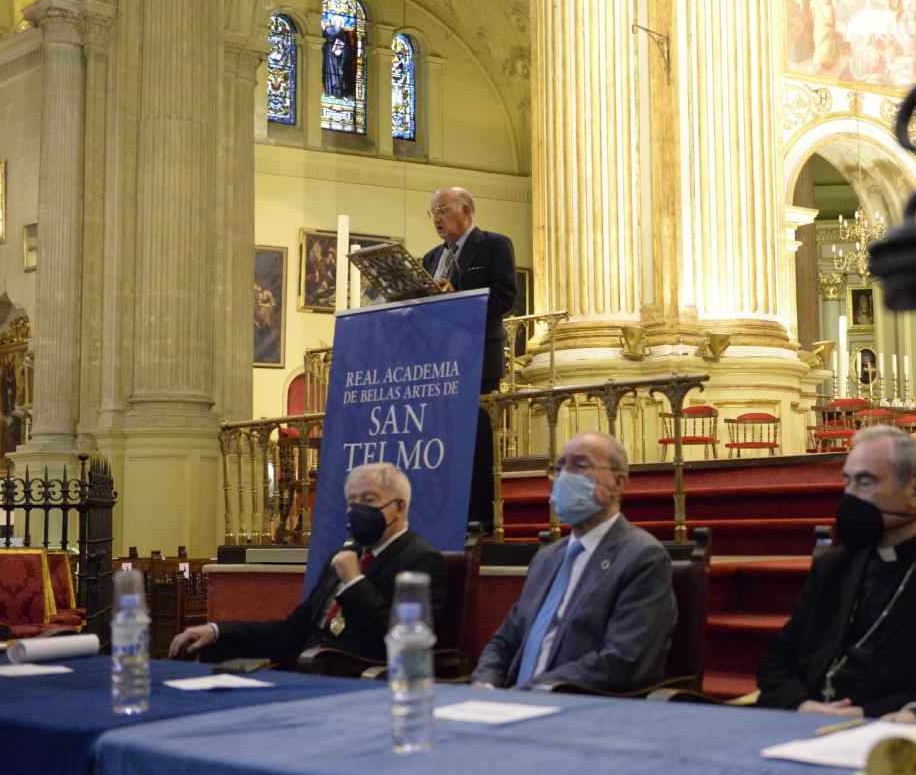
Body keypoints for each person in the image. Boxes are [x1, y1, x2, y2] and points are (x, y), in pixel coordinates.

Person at [169, 462, 446, 666]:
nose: (357, 510)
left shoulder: (420, 559)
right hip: (304, 672)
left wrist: (354, 582)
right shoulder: (343, 556)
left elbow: (399, 643)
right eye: (352, 502)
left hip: (357, 684)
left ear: (399, 507)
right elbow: (292, 631)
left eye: (369, 500)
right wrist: (217, 631)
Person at [756, 425, 916, 717]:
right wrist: (803, 705)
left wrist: (872, 714)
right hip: (807, 725)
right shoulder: (834, 567)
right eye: (847, 482)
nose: (850, 496)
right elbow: (776, 663)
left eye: (865, 482)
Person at [471, 431, 676, 692]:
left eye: (579, 466)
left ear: (619, 482)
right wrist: (485, 682)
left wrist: (531, 691)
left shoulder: (642, 557)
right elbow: (504, 641)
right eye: (558, 468)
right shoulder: (547, 558)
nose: (565, 477)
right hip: (512, 704)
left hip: (578, 708)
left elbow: (624, 660)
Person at [419, 186, 517, 528]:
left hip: (477, 359)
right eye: (433, 212)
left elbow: (505, 298)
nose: (437, 219)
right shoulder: (431, 259)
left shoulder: (494, 245)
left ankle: (480, 521)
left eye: (443, 210)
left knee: (476, 444)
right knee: (441, 443)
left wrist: (458, 298)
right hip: (438, 365)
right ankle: (442, 516)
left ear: (467, 211)